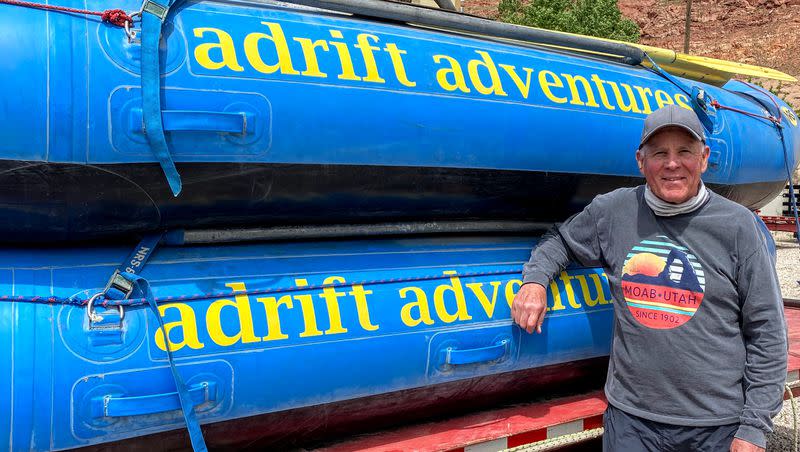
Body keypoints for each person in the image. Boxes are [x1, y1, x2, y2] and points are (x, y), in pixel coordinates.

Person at [512, 104, 787, 452]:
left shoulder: (737, 226)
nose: (672, 164)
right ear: (641, 161)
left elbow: (768, 333)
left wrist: (753, 427)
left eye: (684, 151)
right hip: (632, 424)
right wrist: (535, 281)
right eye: (660, 153)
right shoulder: (614, 211)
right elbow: (561, 239)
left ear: (704, 158)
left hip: (714, 427)